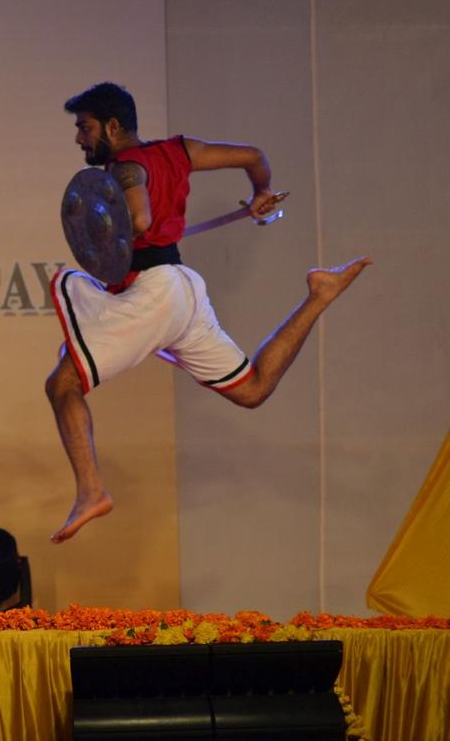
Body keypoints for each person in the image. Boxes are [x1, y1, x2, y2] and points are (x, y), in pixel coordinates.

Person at [47, 82, 369, 543]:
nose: (79, 138)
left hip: (153, 292)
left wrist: (121, 221)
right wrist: (262, 192)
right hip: (181, 288)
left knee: (62, 384)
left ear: (112, 126)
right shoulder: (180, 151)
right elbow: (253, 155)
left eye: (85, 127)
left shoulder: (125, 169)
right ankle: (319, 295)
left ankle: (91, 491)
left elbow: (137, 218)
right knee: (252, 389)